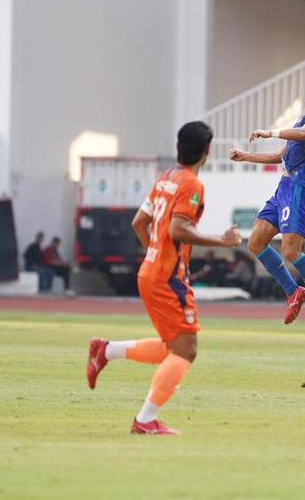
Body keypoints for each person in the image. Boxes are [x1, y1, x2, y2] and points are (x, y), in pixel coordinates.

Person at [85, 121, 241, 436]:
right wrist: (222, 241)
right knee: (186, 350)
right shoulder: (191, 185)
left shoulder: (166, 178)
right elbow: (178, 229)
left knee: (174, 346)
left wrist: (155, 252)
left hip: (153, 270)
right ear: (208, 152)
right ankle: (145, 420)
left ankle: (107, 350)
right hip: (168, 276)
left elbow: (138, 222)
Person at [229, 71, 305, 334]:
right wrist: (246, 156)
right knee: (256, 241)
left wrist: (270, 131)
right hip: (284, 187)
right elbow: (281, 155)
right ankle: (294, 291)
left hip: (299, 189)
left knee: (292, 251)